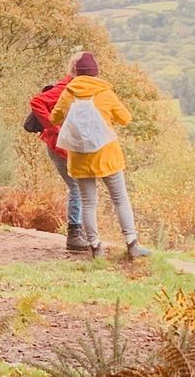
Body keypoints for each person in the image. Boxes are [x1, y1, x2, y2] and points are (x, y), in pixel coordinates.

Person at [50, 51, 150, 259]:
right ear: (96, 73)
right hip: (107, 156)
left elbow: (55, 118)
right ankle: (132, 244)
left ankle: (96, 247)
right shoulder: (105, 93)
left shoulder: (69, 93)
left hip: (79, 156)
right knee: (120, 199)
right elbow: (126, 118)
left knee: (88, 202)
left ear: (77, 73)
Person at [28, 78, 86, 252]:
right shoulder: (66, 88)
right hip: (58, 146)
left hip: (62, 146)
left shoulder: (78, 88)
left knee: (80, 186)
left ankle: (79, 232)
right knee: (77, 186)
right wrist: (54, 128)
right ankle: (74, 234)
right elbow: (37, 101)